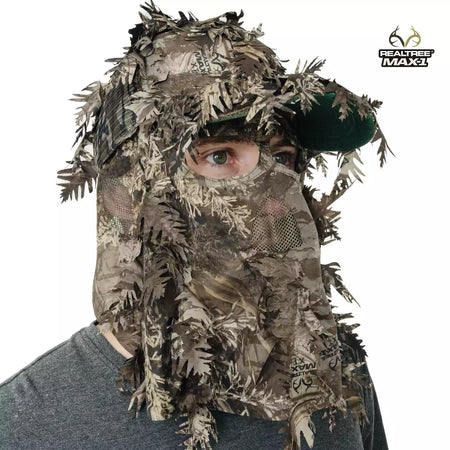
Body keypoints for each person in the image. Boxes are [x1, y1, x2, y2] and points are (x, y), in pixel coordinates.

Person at [0, 3, 390, 449]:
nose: (276, 197)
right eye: (219, 155)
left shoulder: (334, 372)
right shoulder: (25, 425)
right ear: (130, 191)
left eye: (283, 158)